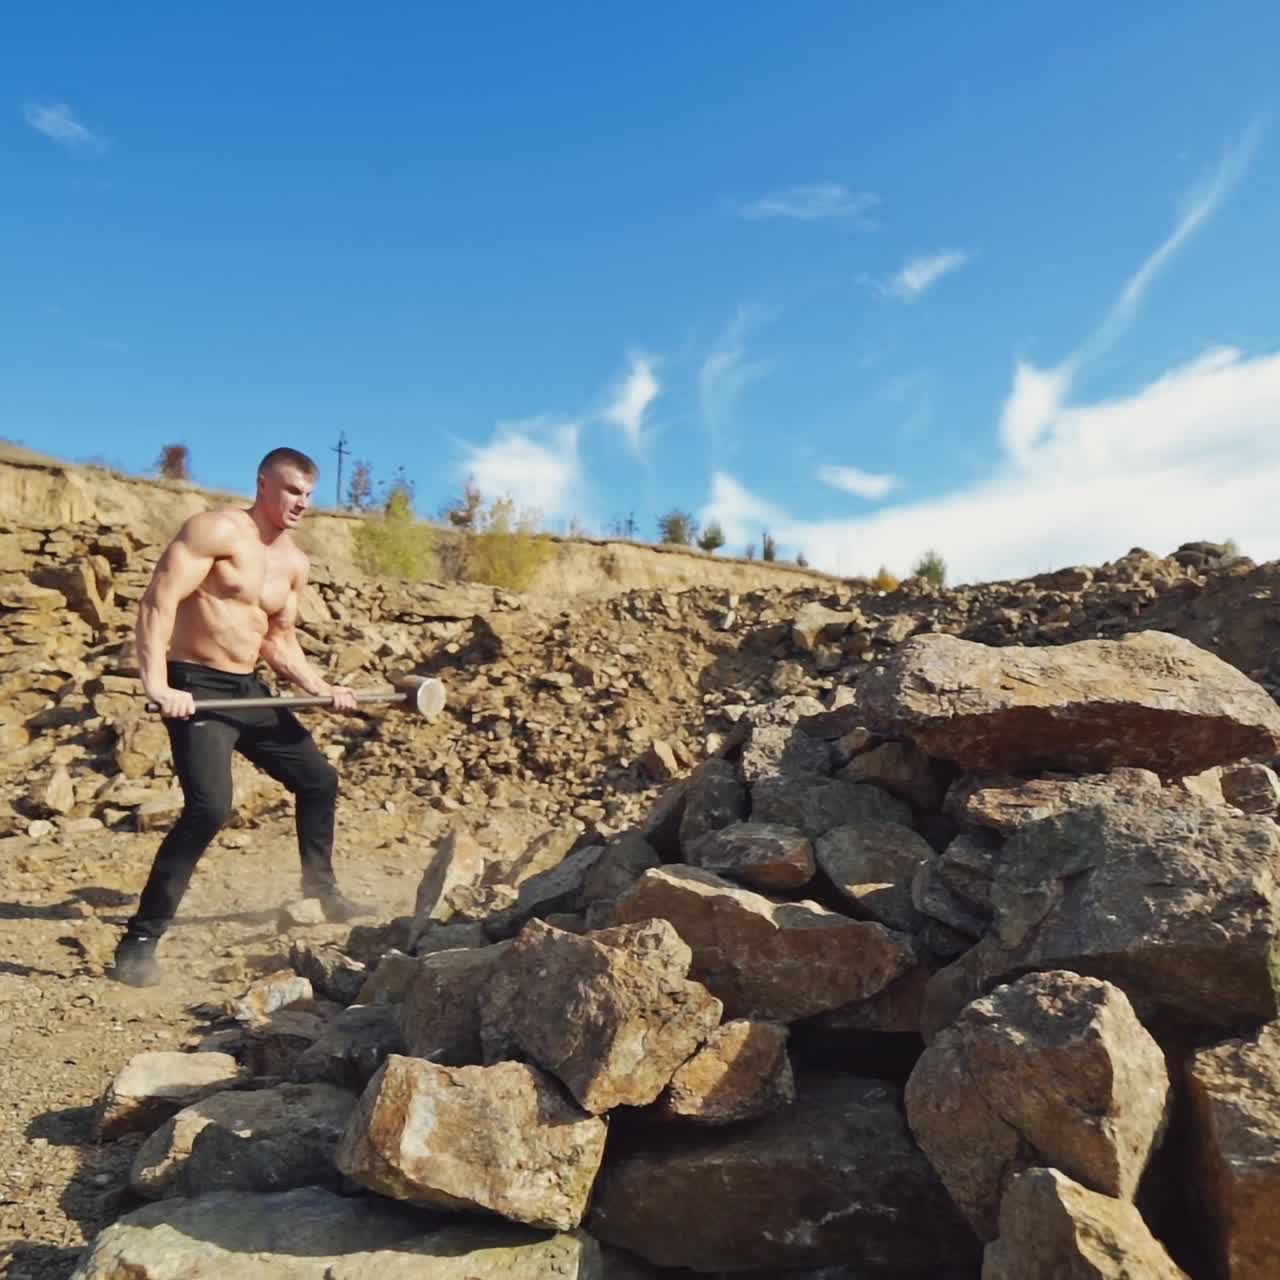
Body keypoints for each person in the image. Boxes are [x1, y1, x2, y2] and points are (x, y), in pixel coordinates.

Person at [110, 447, 362, 987]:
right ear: (264, 484)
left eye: (309, 495)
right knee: (209, 807)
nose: (302, 504)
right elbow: (158, 602)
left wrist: (321, 688)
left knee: (319, 780)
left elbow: (278, 639)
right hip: (196, 688)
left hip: (247, 689)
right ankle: (140, 940)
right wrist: (157, 683)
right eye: (293, 490)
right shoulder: (215, 531)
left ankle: (319, 888)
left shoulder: (294, 562)